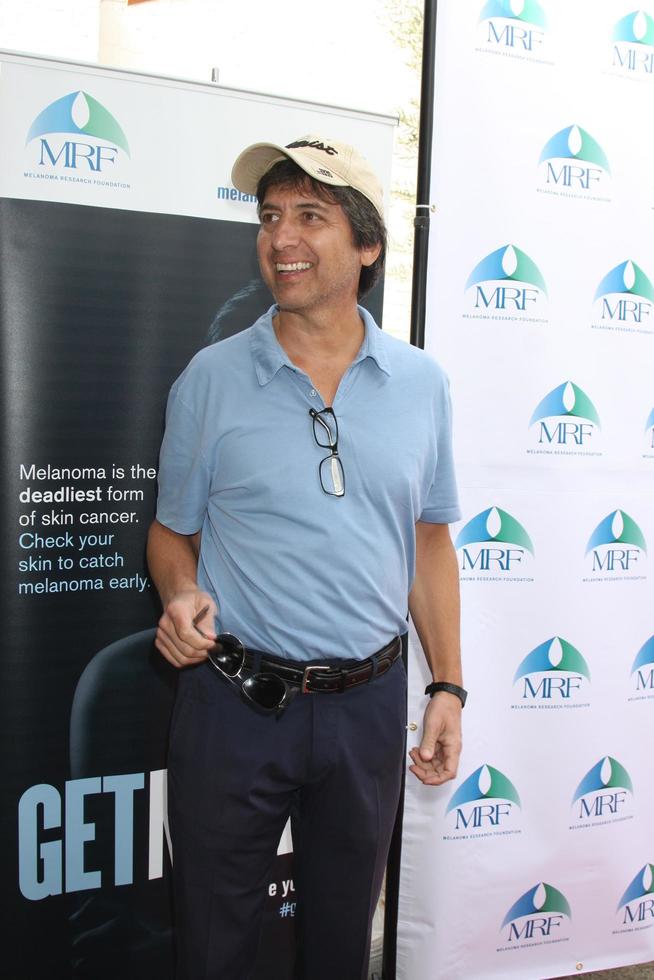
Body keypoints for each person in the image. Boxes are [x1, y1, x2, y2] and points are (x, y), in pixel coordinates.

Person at [147, 133, 465, 980]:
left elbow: (430, 541)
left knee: (339, 950)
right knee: (213, 947)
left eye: (310, 216)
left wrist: (446, 685)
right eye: (270, 216)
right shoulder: (210, 379)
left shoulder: (423, 384)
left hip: (367, 710)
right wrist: (179, 595)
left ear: (365, 246)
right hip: (232, 709)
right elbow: (171, 535)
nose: (281, 237)